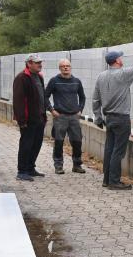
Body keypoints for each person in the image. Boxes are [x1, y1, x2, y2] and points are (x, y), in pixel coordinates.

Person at [92, 39, 133, 190]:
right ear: (116, 61)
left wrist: (98, 117)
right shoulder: (123, 74)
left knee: (109, 148)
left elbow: (96, 99)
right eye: (120, 57)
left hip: (108, 118)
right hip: (121, 118)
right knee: (118, 151)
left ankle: (107, 180)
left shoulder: (101, 77)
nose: (122, 59)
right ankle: (114, 182)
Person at [13, 53, 51, 181]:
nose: (40, 65)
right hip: (28, 120)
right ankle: (22, 171)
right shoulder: (22, 78)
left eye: (40, 62)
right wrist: (21, 120)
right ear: (29, 64)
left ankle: (30, 168)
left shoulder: (38, 77)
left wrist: (44, 115)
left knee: (36, 144)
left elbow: (41, 97)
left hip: (39, 117)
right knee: (26, 144)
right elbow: (18, 100)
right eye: (37, 62)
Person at [45, 59, 87, 174]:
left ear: (70, 67)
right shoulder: (54, 81)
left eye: (67, 66)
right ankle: (58, 166)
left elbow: (82, 97)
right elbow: (45, 96)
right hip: (60, 116)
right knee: (59, 142)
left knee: (77, 142)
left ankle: (77, 165)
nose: (65, 68)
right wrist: (51, 110)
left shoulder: (77, 81)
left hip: (74, 117)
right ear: (59, 68)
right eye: (63, 66)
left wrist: (80, 110)